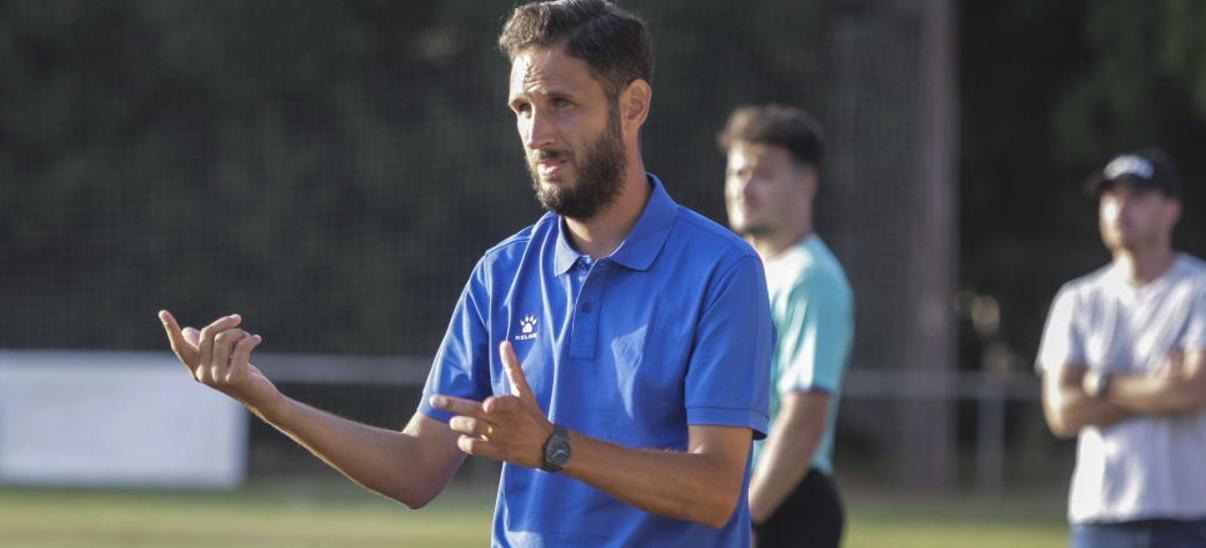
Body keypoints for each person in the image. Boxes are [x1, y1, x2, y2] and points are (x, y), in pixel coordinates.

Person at [156, 1, 774, 545]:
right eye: (522, 107)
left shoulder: (722, 270)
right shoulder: (501, 272)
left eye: (561, 104)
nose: (537, 133)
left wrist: (551, 446)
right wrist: (269, 402)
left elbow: (714, 492)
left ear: (633, 105)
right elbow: (417, 469)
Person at [1037, 149, 1206, 548]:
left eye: (1137, 197)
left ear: (1171, 211)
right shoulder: (1077, 299)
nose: (1120, 208)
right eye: (1111, 197)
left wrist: (1099, 383)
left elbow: (1195, 392)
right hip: (1103, 519)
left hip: (1197, 518)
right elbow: (1062, 412)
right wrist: (1156, 387)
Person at [719, 105, 853, 548]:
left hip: (783, 504)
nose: (744, 186)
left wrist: (749, 517)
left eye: (763, 173)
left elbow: (805, 416)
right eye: (737, 172)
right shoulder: (744, 269)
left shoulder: (809, 277)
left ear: (807, 184)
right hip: (740, 495)